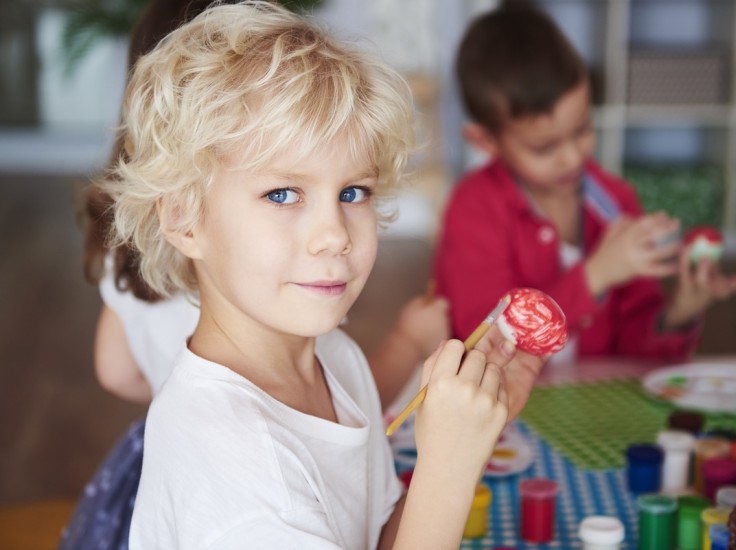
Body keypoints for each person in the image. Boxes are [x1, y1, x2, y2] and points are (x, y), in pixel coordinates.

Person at [98, 2, 540, 546]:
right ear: (183, 218)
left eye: (353, 192)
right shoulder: (236, 473)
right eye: (282, 194)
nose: (335, 234)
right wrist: (449, 466)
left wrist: (461, 446)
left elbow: (380, 537)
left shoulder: (335, 359)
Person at [433, 3, 736, 362]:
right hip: (500, 406)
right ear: (485, 141)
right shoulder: (473, 208)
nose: (572, 157)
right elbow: (486, 337)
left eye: (582, 129)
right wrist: (594, 276)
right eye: (544, 147)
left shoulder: (616, 201)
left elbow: (636, 346)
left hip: (593, 402)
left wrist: (678, 313)